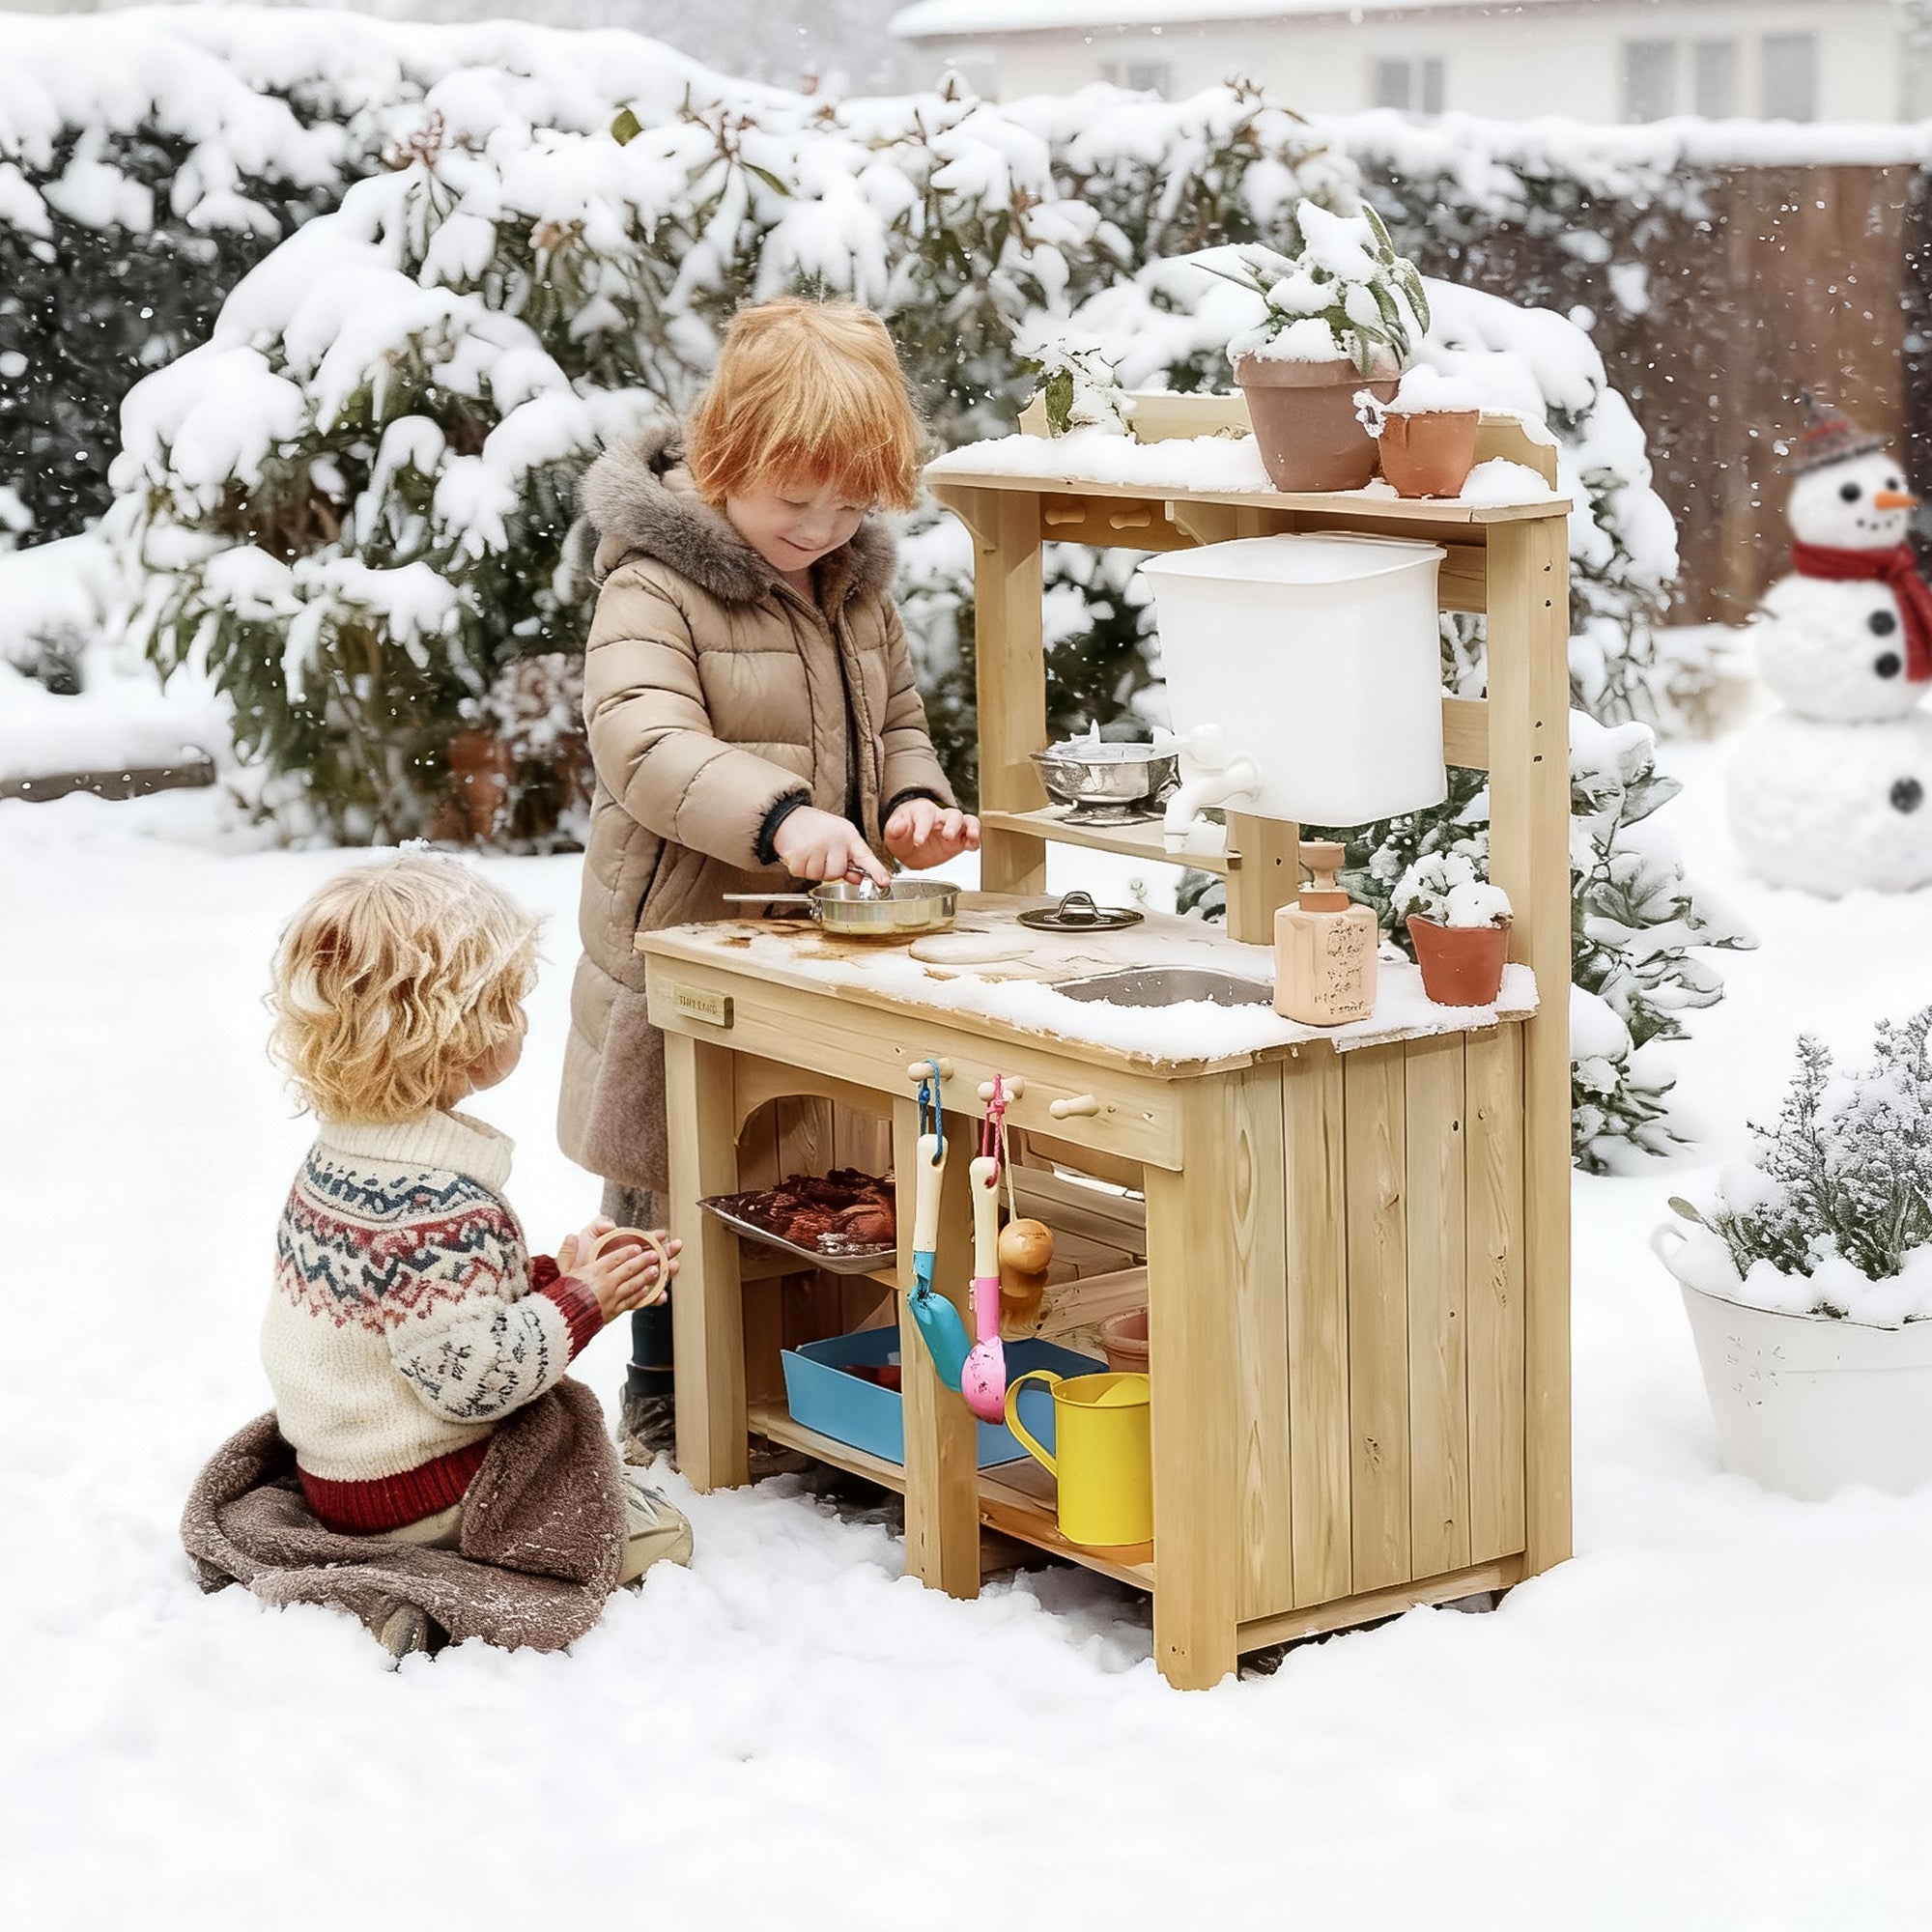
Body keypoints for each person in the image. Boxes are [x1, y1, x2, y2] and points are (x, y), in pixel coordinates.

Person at [557, 297, 978, 1452]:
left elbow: (894, 718)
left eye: (851, 503)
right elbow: (643, 743)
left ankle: (805, 1362)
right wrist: (783, 815)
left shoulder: (851, 586)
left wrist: (911, 804)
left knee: (796, 1155)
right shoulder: (652, 584)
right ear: (724, 456)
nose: (824, 525)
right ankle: (661, 1373)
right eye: (798, 500)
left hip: (805, 930)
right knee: (665, 1161)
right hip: (678, 931)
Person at [261, 853, 691, 1660]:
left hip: (341, 1479)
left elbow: (411, 1319)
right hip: (425, 1492)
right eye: (511, 1003)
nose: (525, 1021)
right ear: (456, 1033)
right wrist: (585, 1299)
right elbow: (474, 1381)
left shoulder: (342, 1162)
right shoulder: (439, 1204)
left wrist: (548, 1278)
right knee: (659, 1533)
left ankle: (396, 1562)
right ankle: (433, 1579)